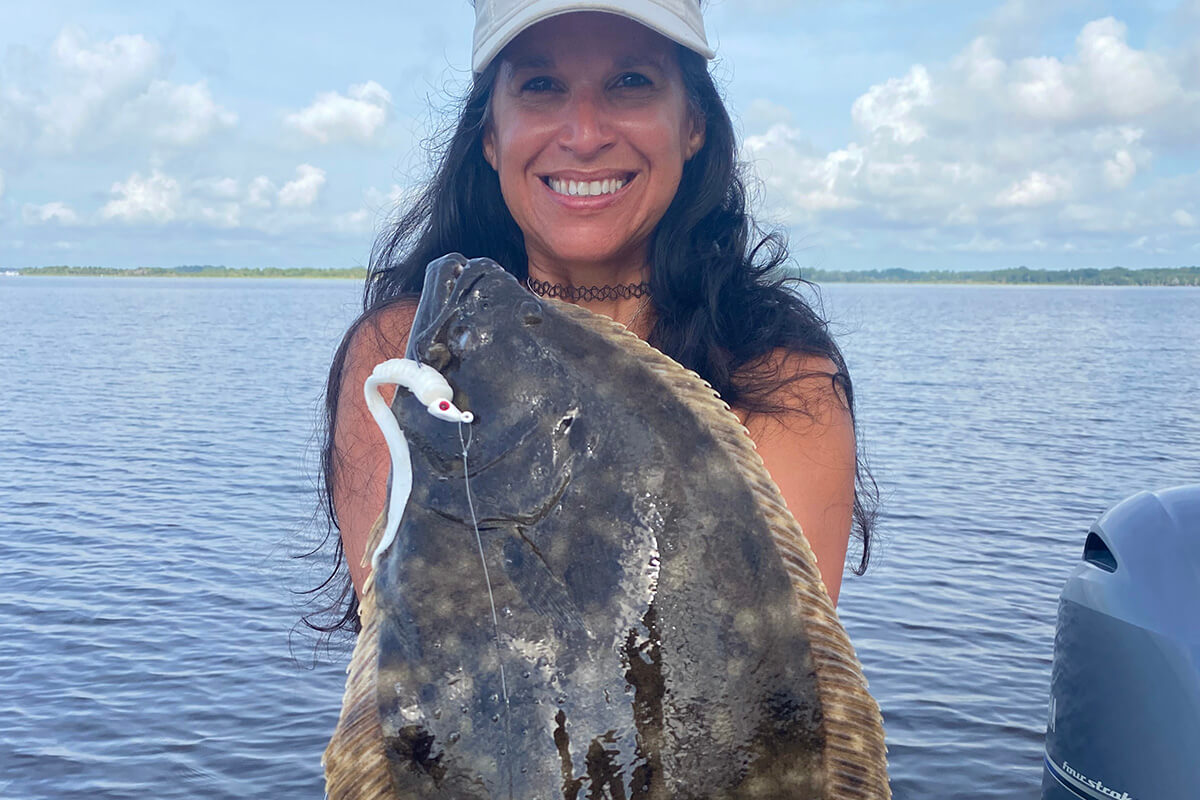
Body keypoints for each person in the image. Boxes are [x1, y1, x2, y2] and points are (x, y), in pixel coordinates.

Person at [306, 0, 876, 639]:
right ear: (490, 135)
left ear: (693, 124)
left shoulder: (779, 378)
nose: (583, 134)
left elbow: (770, 670)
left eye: (631, 81)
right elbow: (415, 639)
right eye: (541, 86)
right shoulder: (410, 349)